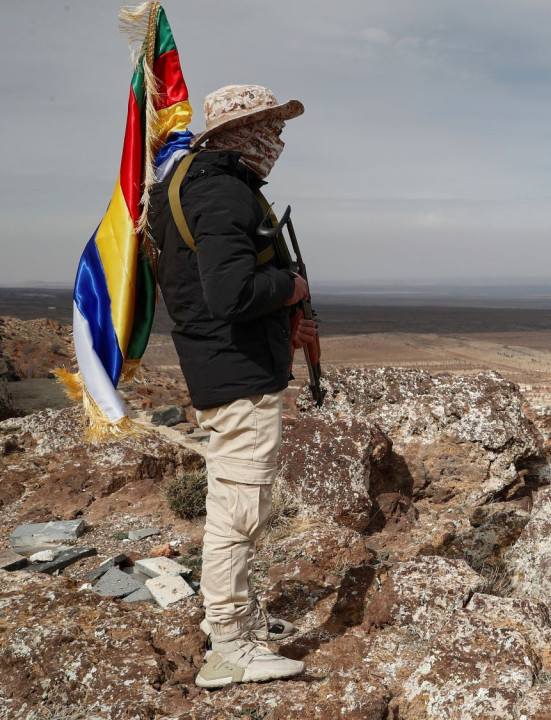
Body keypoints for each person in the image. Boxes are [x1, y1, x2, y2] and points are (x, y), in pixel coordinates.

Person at [148, 84, 317, 688]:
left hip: (229, 367)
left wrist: (282, 320)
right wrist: (290, 290)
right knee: (239, 510)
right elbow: (230, 294)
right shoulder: (220, 190)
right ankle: (230, 646)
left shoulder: (194, 185)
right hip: (236, 374)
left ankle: (236, 622)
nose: (276, 141)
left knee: (237, 503)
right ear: (237, 133)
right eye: (267, 128)